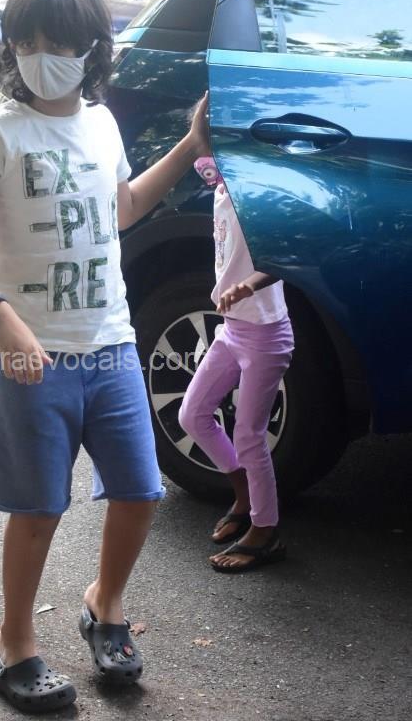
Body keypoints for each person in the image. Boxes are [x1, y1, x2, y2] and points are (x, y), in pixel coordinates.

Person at [0, 0, 209, 713]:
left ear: (90, 52)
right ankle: (14, 644)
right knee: (37, 510)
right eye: (26, 43)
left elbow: (121, 209)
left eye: (57, 46)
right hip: (33, 357)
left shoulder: (101, 124)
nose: (40, 58)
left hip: (110, 344)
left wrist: (188, 146)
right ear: (10, 49)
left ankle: (103, 605)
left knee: (140, 492)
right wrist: (1, 318)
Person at [178, 152, 293, 573]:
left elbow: (284, 253)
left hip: (266, 333)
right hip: (232, 329)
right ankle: (245, 495)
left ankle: (266, 529)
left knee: (249, 435)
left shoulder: (258, 187)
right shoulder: (221, 185)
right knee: (192, 414)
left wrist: (246, 287)